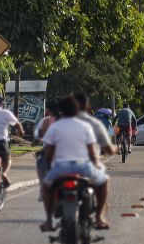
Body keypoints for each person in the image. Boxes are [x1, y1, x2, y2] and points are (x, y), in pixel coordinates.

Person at [41, 96, 109, 232]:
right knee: (104, 182)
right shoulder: (85, 126)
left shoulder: (55, 127)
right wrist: (96, 164)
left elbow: (48, 153)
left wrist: (50, 164)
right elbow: (92, 152)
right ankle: (99, 218)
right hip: (83, 167)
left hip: (60, 168)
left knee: (46, 186)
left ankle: (48, 220)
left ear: (61, 111)